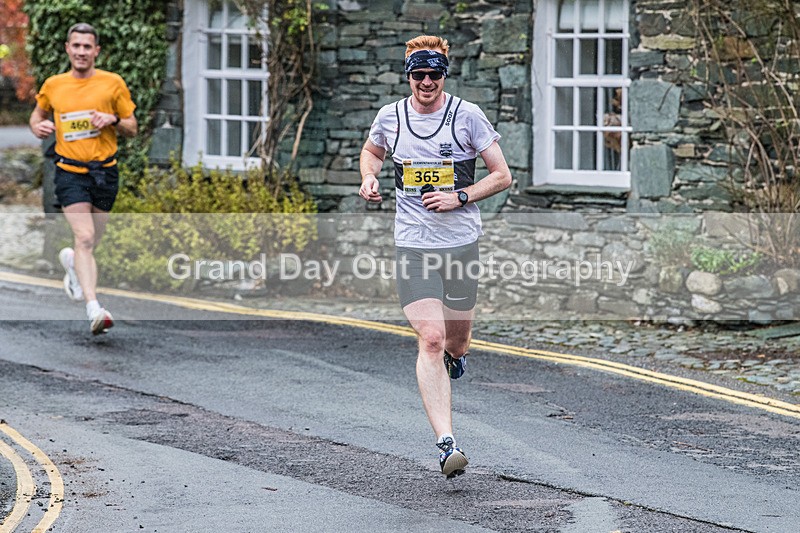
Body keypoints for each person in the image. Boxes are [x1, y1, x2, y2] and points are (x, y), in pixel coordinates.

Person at [359, 35, 512, 477]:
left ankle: (456, 357)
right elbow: (372, 152)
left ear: (445, 74)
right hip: (413, 243)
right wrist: (369, 177)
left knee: (455, 342)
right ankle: (447, 445)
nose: (426, 82)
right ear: (408, 76)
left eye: (434, 74)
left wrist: (459, 196)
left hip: (460, 244)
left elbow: (502, 175)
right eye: (419, 74)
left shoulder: (467, 116)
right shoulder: (390, 117)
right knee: (430, 337)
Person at [29, 22, 137, 335]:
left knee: (92, 241)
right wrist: (37, 126)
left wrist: (113, 120)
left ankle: (73, 265)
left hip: (104, 172)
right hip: (69, 172)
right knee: (86, 237)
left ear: (96, 51)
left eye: (87, 46)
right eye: (76, 45)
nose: (81, 52)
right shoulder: (54, 85)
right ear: (68, 48)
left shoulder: (112, 83)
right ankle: (94, 308)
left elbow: (132, 126)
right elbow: (37, 115)